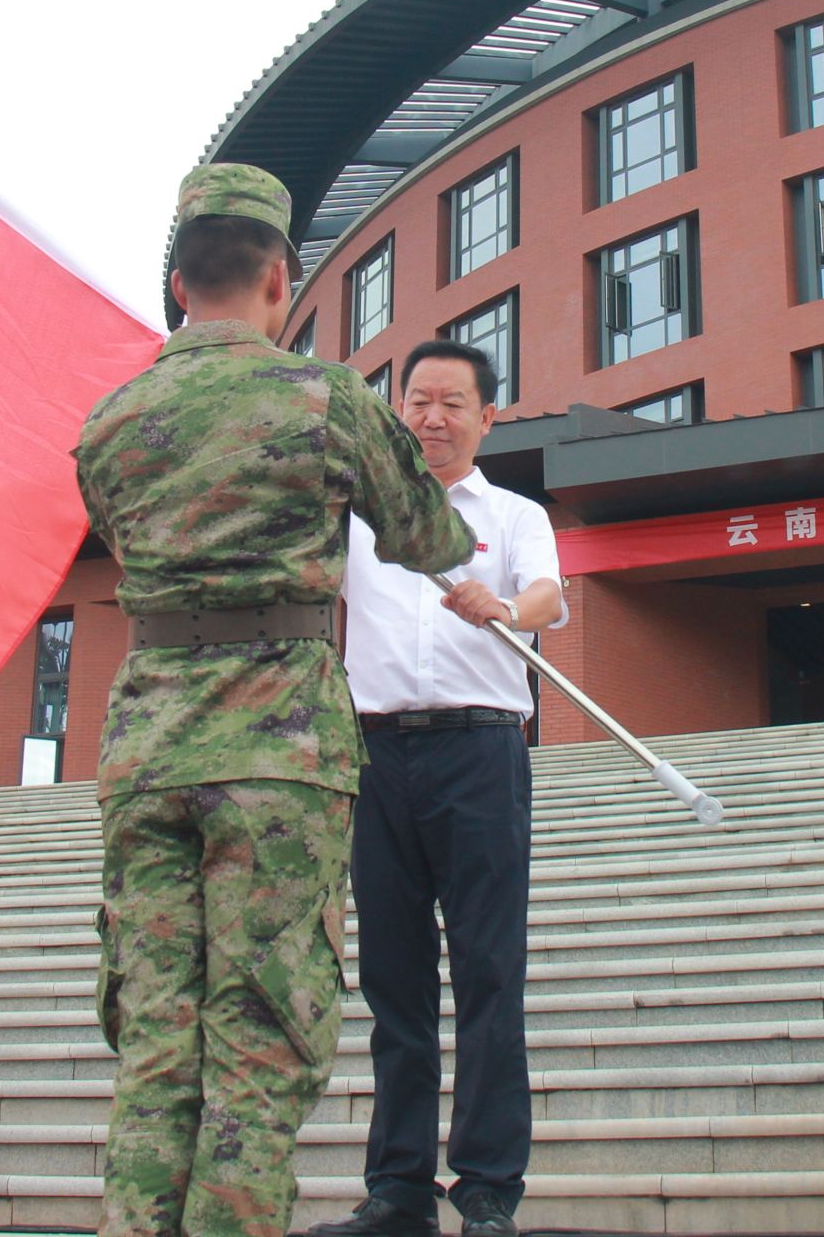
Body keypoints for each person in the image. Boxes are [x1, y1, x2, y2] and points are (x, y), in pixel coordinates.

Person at [75, 165, 477, 1237]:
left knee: (154, 1034)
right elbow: (427, 536)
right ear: (278, 279)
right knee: (258, 1035)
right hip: (278, 752)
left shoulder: (111, 421)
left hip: (146, 744)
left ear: (177, 284)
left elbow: (118, 536)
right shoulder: (324, 399)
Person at [310, 339, 567, 1237]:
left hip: (481, 752)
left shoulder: (514, 515)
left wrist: (506, 608)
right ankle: (399, 1190)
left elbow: (547, 597)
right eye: (418, 401)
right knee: (395, 978)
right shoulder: (358, 523)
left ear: (487, 417)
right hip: (377, 756)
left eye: (453, 403)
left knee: (490, 970)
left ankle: (488, 1187)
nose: (432, 418)